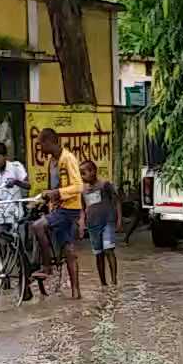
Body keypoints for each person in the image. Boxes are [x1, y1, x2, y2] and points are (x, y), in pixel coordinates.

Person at [36, 128, 85, 299]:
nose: (40, 149)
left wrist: (57, 193)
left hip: (69, 208)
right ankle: (76, 293)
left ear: (49, 142)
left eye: (41, 144)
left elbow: (79, 186)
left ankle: (47, 266)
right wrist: (46, 198)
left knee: (38, 226)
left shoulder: (68, 158)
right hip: (57, 209)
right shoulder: (52, 162)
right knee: (68, 249)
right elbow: (52, 187)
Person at [80, 158, 120, 289]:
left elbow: (116, 201)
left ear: (93, 171)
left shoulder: (105, 185)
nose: (83, 176)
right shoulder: (83, 191)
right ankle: (103, 283)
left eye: (84, 173)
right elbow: (83, 209)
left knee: (109, 250)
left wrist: (119, 219)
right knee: (98, 254)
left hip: (108, 222)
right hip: (93, 226)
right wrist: (82, 224)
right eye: (81, 173)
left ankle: (114, 282)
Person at [0, 142, 28, 237]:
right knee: (0, 245)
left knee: (17, 246)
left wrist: (16, 182)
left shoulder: (16, 167)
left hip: (15, 215)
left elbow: (28, 185)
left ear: (5, 156)